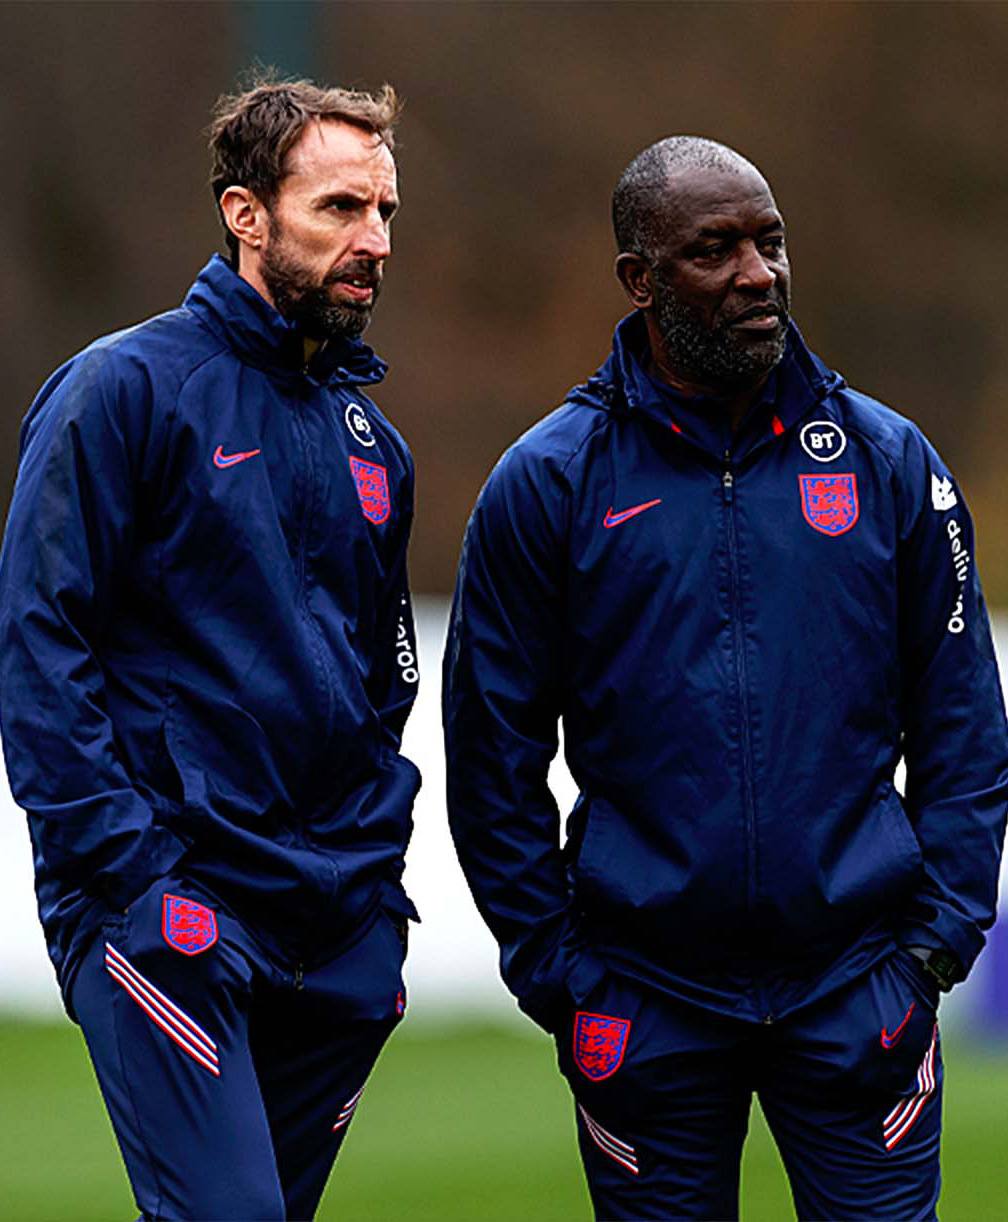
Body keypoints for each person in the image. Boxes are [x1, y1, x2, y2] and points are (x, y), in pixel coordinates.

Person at [443, 136, 1008, 1220]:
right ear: (641, 278)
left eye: (770, 240)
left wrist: (932, 950)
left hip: (860, 992)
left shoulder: (889, 463)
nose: (760, 273)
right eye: (716, 249)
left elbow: (965, 728)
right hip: (642, 1000)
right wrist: (560, 975)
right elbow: (489, 758)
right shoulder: (549, 482)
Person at [0, 76, 420, 1221]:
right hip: (170, 909)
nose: (372, 239)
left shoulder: (372, 440)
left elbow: (385, 677)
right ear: (246, 214)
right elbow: (41, 650)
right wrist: (130, 871)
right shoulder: (119, 392)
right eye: (339, 207)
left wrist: (377, 893)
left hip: (332, 925)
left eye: (384, 211)